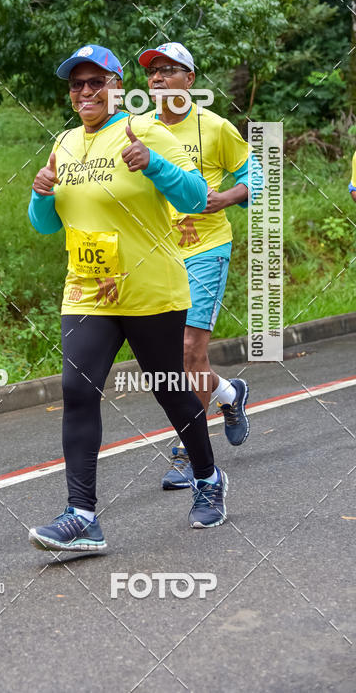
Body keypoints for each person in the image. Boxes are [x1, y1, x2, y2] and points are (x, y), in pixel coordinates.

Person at [27, 43, 230, 553]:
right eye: (78, 84)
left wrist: (153, 164)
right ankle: (82, 516)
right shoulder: (66, 142)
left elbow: (194, 199)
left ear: (118, 87)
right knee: (77, 391)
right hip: (87, 291)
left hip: (150, 289)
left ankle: (207, 478)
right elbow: (46, 225)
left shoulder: (145, 130)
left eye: (98, 82)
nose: (87, 91)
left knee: (169, 389)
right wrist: (40, 193)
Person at [137, 42, 263, 491]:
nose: (157, 78)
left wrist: (227, 197)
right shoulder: (138, 128)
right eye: (152, 72)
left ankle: (191, 451)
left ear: (189, 80)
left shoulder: (214, 127)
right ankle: (230, 394)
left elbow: (259, 175)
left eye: (168, 71)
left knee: (190, 348)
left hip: (207, 248)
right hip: (160, 253)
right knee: (175, 356)